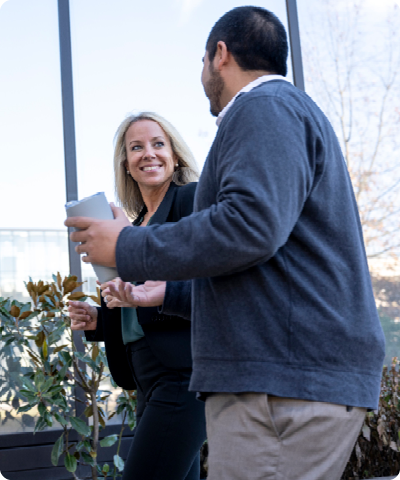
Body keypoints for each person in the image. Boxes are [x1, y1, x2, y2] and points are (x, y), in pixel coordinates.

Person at [65, 7, 386, 480]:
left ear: (220, 55)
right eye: (135, 147)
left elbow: (248, 227)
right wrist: (149, 293)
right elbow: (252, 258)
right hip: (273, 382)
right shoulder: (280, 112)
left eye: (200, 60)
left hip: (280, 386)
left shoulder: (265, 107)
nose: (147, 153)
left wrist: (128, 247)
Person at [68, 112, 206, 480]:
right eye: (136, 147)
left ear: (174, 155)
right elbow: (134, 302)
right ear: (126, 164)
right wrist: (99, 320)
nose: (149, 153)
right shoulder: (133, 221)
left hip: (184, 373)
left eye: (158, 144)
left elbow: (213, 286)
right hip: (145, 374)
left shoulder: (191, 201)